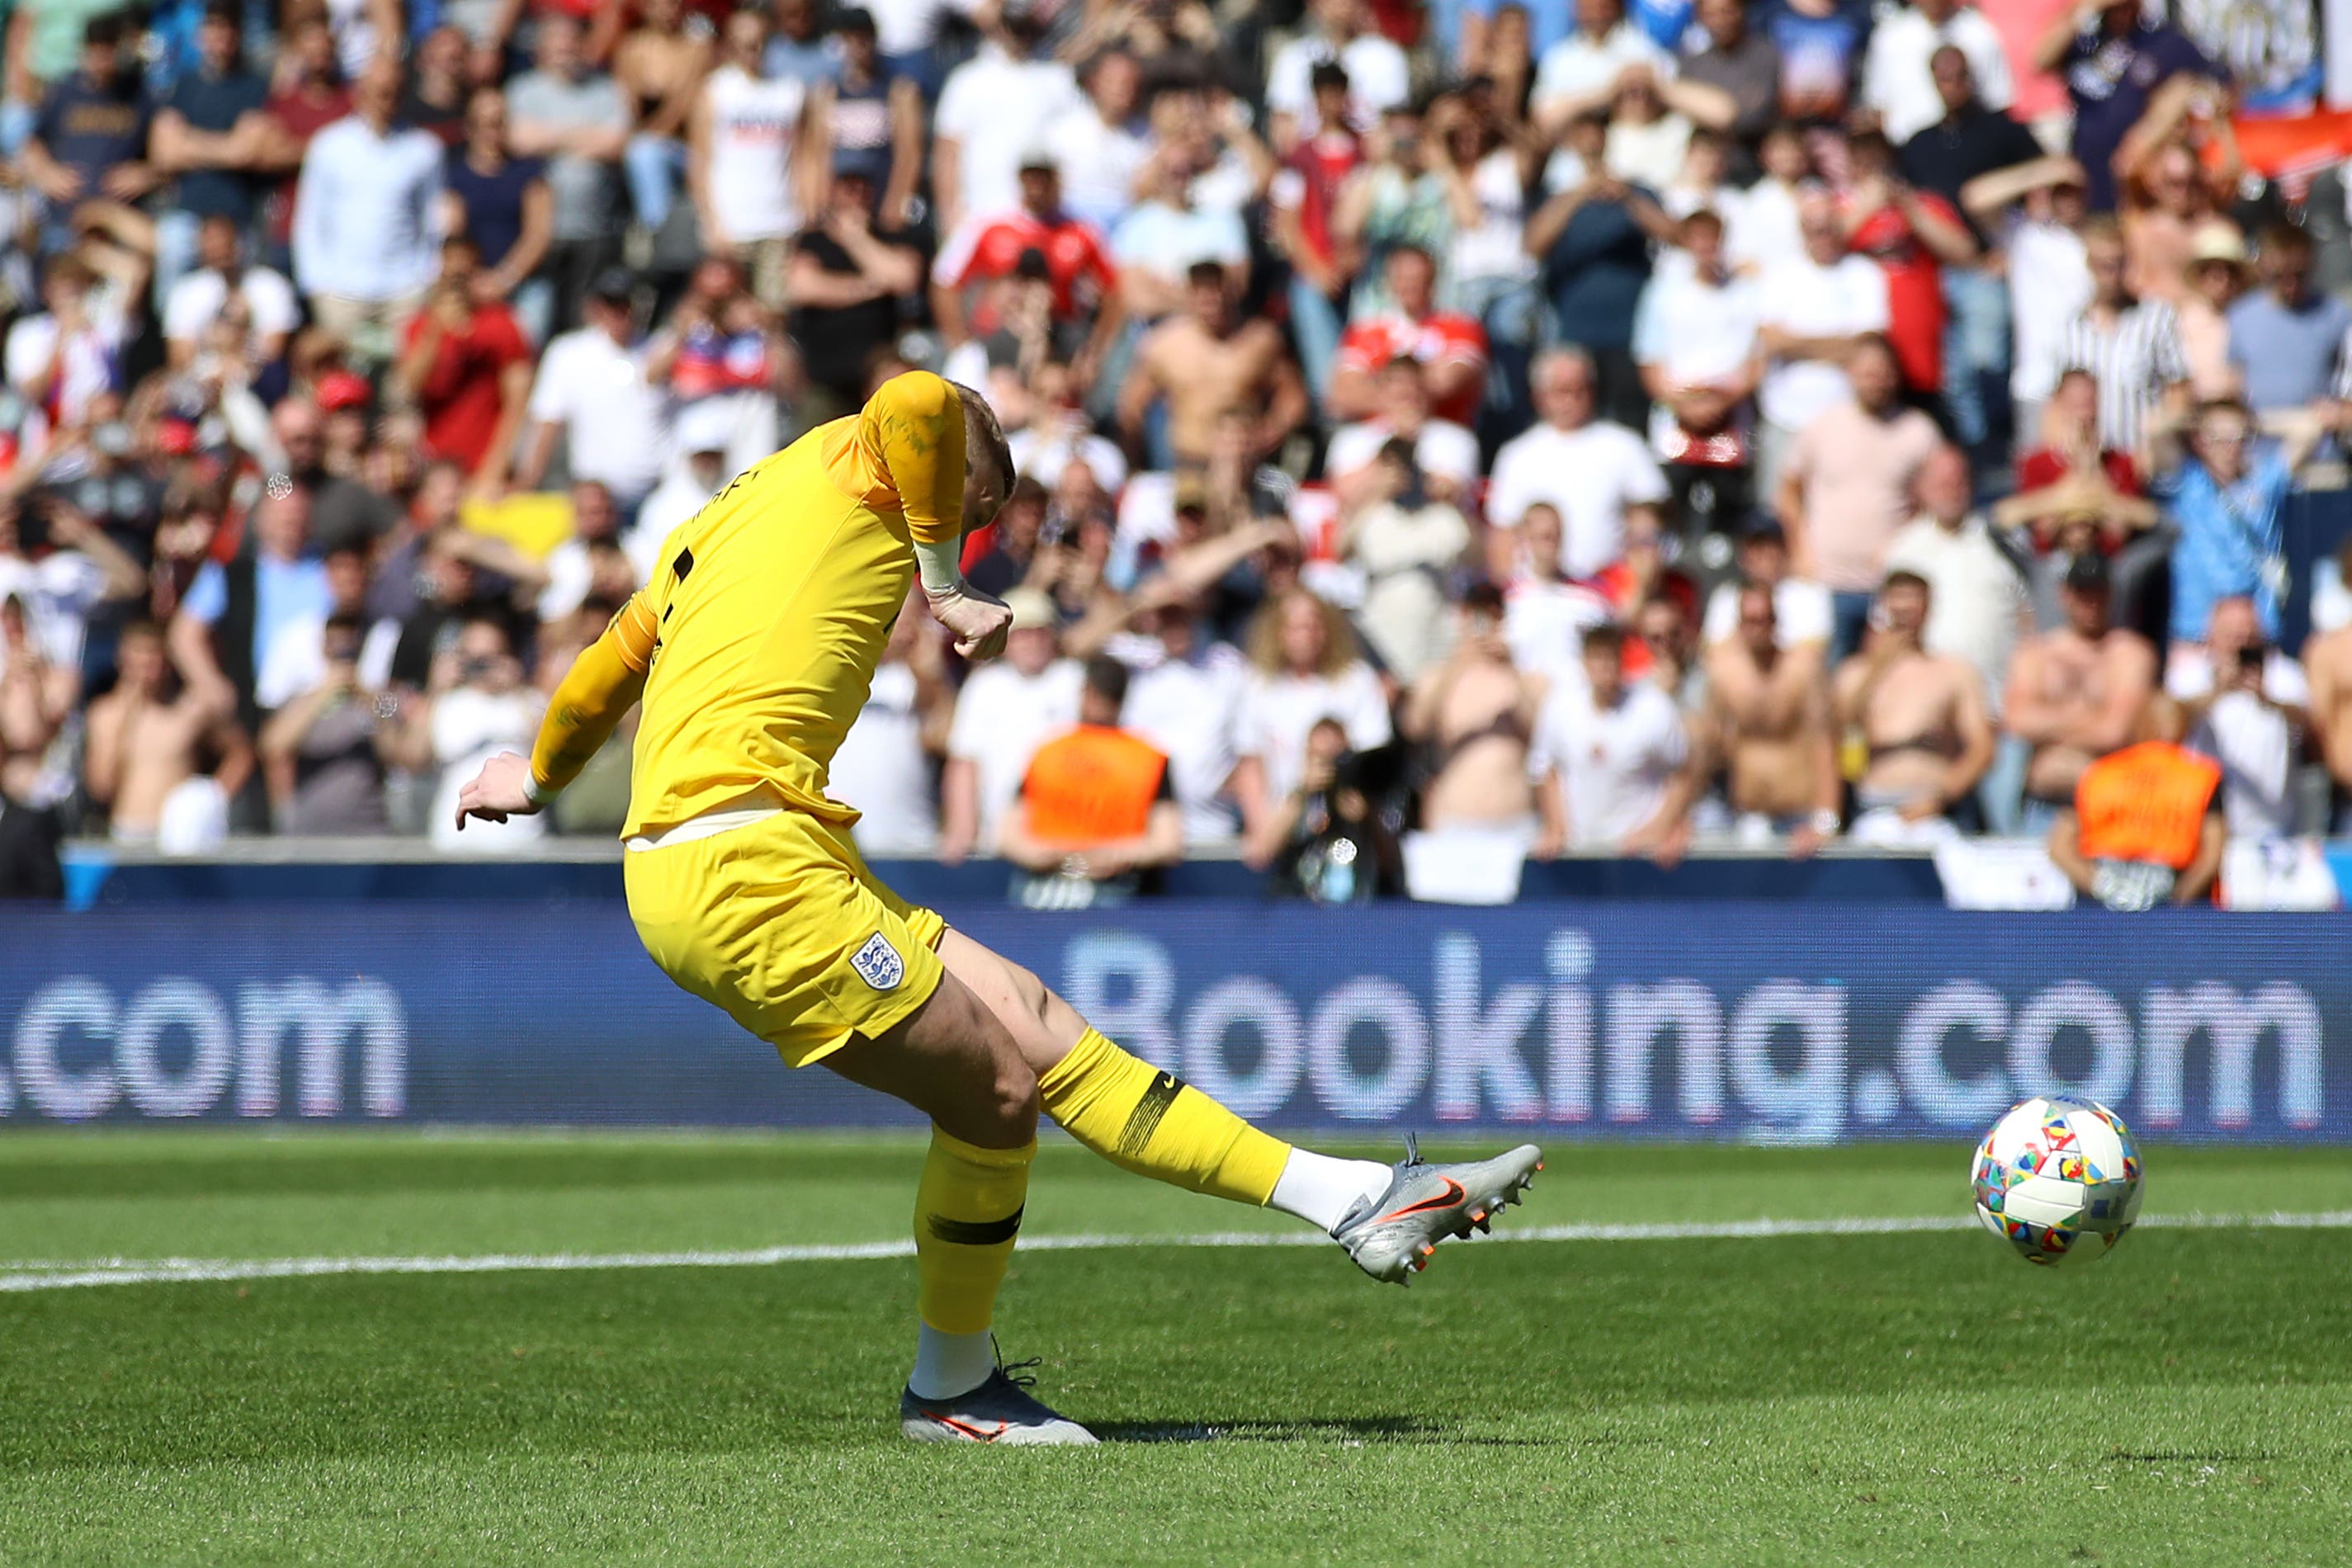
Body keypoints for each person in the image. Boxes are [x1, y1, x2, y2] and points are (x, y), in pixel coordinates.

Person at [451, 371, 1542, 1444]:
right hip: (741, 866)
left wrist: (539, 780)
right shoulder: (866, 454)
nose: (964, 533)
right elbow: (921, 401)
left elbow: (610, 662)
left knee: (1034, 1024)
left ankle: (1355, 1200)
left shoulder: (734, 513)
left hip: (764, 848)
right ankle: (952, 1390)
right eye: (971, 512)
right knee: (995, 1096)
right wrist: (940, 578)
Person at [1775, 334, 1943, 660]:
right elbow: (1788, 490)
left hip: (1891, 587)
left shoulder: (1919, 432)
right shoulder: (1823, 426)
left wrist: (1908, 542)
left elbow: (1936, 498)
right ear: (1850, 373)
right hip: (1827, 580)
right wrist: (1799, 550)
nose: (1875, 381)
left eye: (1882, 372)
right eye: (1867, 372)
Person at [292, 57, 444, 364]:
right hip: (341, 291)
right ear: (360, 92)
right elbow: (310, 220)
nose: (387, 101)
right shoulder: (329, 146)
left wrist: (427, 276)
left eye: (394, 92)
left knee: (400, 391)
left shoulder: (424, 148)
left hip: (405, 291)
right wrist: (317, 284)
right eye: (380, 92)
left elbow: (433, 218)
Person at [996, 653, 1183, 901]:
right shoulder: (1149, 756)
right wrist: (1112, 855)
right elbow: (1167, 842)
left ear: (1085, 692)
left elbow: (1008, 836)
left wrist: (1057, 855)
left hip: (1049, 891)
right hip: (1113, 888)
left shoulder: (1047, 751)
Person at [1231, 585, 1394, 866]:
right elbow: (1250, 765)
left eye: (1313, 625)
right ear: (1278, 632)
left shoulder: (1356, 681)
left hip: (1349, 830)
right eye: (1295, 627)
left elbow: (1375, 762)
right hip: (1286, 830)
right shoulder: (1259, 686)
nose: (1305, 635)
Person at [1832, 569, 1995, 844]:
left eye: (1914, 603)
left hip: (1934, 810)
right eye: (1898, 602)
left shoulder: (1955, 672)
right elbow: (1834, 736)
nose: (1906, 612)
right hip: (1873, 809)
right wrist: (1878, 667)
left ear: (1928, 608)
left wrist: (1942, 797)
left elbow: (1982, 749)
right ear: (1883, 607)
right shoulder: (1855, 674)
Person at [1632, 206, 1763, 545]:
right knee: (1674, 508)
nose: (1706, 247)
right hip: (1676, 421)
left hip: (1731, 421)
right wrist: (1684, 406)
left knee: (1729, 514)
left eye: (1713, 239)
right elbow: (1649, 359)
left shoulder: (1745, 293)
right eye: (1699, 239)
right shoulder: (1664, 292)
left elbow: (1757, 359)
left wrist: (1721, 403)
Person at [2001, 552, 2158, 829]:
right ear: (2065, 594)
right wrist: (2088, 716)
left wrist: (2050, 721)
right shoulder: (2038, 653)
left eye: (2098, 593)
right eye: (2082, 593)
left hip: (2110, 803)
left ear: (2111, 594)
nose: (2091, 603)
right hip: (2044, 804)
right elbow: (2018, 722)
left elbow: (2115, 731)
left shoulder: (2130, 653)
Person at [1485, 346, 1668, 583]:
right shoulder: (1516, 455)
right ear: (1539, 395)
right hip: (1538, 592)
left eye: (1580, 389)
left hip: (1608, 592)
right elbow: (1503, 534)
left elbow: (1651, 518)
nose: (1571, 400)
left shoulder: (1624, 445)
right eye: (1561, 391)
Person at [1755, 191, 1892, 497]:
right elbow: (1771, 341)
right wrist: (1839, 344)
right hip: (1786, 416)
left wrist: (1798, 342)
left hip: (1847, 416)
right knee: (1778, 507)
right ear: (1802, 231)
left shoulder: (1863, 273)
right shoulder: (1781, 275)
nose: (1823, 235)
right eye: (1814, 228)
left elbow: (1867, 346)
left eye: (1829, 226)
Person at [1882, 443, 2031, 713]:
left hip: (1997, 706)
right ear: (1921, 488)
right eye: (1942, 482)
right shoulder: (1903, 551)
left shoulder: (2000, 544)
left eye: (1958, 481)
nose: (1951, 489)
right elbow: (1885, 630)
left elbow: (2027, 620)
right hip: (1927, 711)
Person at [505, 15, 631, 331]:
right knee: (535, 324)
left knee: (581, 325)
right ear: (541, 49)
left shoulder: (606, 89)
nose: (567, 50)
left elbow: (616, 144)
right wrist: (586, 136)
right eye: (558, 44)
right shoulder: (523, 90)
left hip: (594, 230)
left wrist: (549, 139)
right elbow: (520, 141)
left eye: (573, 42)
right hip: (537, 233)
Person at [938, 586, 1082, 862]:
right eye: (1023, 633)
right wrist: (962, 829)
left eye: (1041, 632)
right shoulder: (984, 686)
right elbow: (964, 762)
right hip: (1000, 841)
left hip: (1067, 839)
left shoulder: (1075, 679)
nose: (1033, 641)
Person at [1117, 262, 1305, 471]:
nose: (1211, 302)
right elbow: (1131, 406)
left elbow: (1292, 396)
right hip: (1187, 462)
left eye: (1217, 292)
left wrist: (1270, 432)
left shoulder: (1259, 341)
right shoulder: (1163, 345)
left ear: (1231, 293)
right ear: (1190, 296)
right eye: (1203, 294)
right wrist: (1136, 463)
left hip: (1244, 464)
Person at [1531, 621, 1693, 859]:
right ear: (1584, 663)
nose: (1605, 667)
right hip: (1579, 850)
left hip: (1637, 852)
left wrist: (1660, 827)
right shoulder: (1559, 708)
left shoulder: (1653, 708)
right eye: (1597, 658)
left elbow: (1682, 774)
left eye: (1611, 658)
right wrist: (1556, 825)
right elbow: (1544, 769)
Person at [83, 617, 251, 848]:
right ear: (123, 658)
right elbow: (100, 787)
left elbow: (241, 753)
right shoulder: (104, 714)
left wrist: (210, 799)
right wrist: (126, 719)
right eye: (138, 654)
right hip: (126, 834)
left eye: (152, 655)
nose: (146, 666)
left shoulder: (191, 708)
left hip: (177, 838)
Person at [689, 7, 818, 308]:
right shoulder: (716, 91)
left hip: (780, 221)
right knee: (731, 314)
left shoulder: (790, 90)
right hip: (732, 223)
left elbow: (804, 155)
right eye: (744, 43)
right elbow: (700, 161)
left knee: (774, 315)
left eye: (760, 41)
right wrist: (710, 221)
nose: (753, 50)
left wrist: (806, 209)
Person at [1700, 583, 1840, 855]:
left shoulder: (1802, 670)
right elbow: (1709, 748)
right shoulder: (1724, 675)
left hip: (1799, 816)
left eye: (1764, 620)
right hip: (1747, 816)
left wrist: (1825, 823)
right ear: (1738, 624)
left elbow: (1825, 744)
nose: (1757, 628)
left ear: (1776, 621)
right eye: (1750, 621)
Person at [2047, 701, 2225, 909]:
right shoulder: (2201, 777)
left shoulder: (2099, 774)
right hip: (2173, 887)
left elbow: (2059, 847)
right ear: (2183, 729)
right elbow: (2213, 852)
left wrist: (2102, 887)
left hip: (2103, 895)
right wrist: (2176, 902)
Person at [517, 269, 667, 513]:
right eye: (611, 303)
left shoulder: (656, 349)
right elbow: (547, 422)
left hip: (654, 497)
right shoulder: (568, 353)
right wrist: (527, 481)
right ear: (595, 307)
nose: (620, 312)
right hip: (595, 501)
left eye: (626, 303)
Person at [1399, 584, 1541, 835]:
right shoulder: (1435, 678)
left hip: (1515, 822)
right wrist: (1460, 661)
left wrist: (1510, 667)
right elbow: (1414, 728)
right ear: (1462, 618)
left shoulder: (1525, 680)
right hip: (1456, 822)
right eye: (1477, 616)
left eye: (1494, 616)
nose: (1484, 626)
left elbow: (1542, 734)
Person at [395, 235, 533, 489]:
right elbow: (409, 386)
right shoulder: (421, 325)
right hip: (434, 466)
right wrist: (435, 330)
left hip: (484, 465)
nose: (457, 283)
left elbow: (518, 403)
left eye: (464, 274)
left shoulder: (501, 324)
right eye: (451, 274)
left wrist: (496, 467)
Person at [2168, 594, 2309, 840]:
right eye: (2232, 637)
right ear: (2211, 638)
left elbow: (2310, 727)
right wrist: (2218, 691)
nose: (2240, 645)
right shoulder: (2187, 676)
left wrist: (2268, 700)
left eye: (2248, 637)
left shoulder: (2285, 674)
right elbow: (2168, 724)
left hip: (2271, 829)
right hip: (2202, 826)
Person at [256, 610, 394, 834]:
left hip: (368, 829)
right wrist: (326, 690)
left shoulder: (376, 699)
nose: (342, 652)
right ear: (323, 648)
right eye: (335, 644)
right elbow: (272, 746)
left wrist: (361, 692)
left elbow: (397, 750)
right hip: (312, 830)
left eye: (348, 645)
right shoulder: (301, 699)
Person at [2226, 224, 2352, 420]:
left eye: (2299, 275)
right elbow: (2233, 379)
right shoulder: (2241, 316)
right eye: (2279, 275)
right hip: (2258, 438)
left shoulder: (2337, 316)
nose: (2290, 285)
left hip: (2316, 437)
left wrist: (2338, 410)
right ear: (2263, 268)